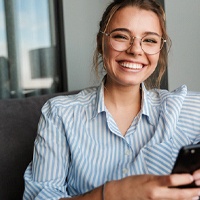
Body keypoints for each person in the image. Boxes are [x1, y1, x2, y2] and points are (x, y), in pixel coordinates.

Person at [23, 0, 200, 199]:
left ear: (160, 50)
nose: (135, 49)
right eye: (121, 36)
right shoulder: (60, 114)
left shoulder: (185, 108)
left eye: (150, 40)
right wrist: (111, 194)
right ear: (101, 42)